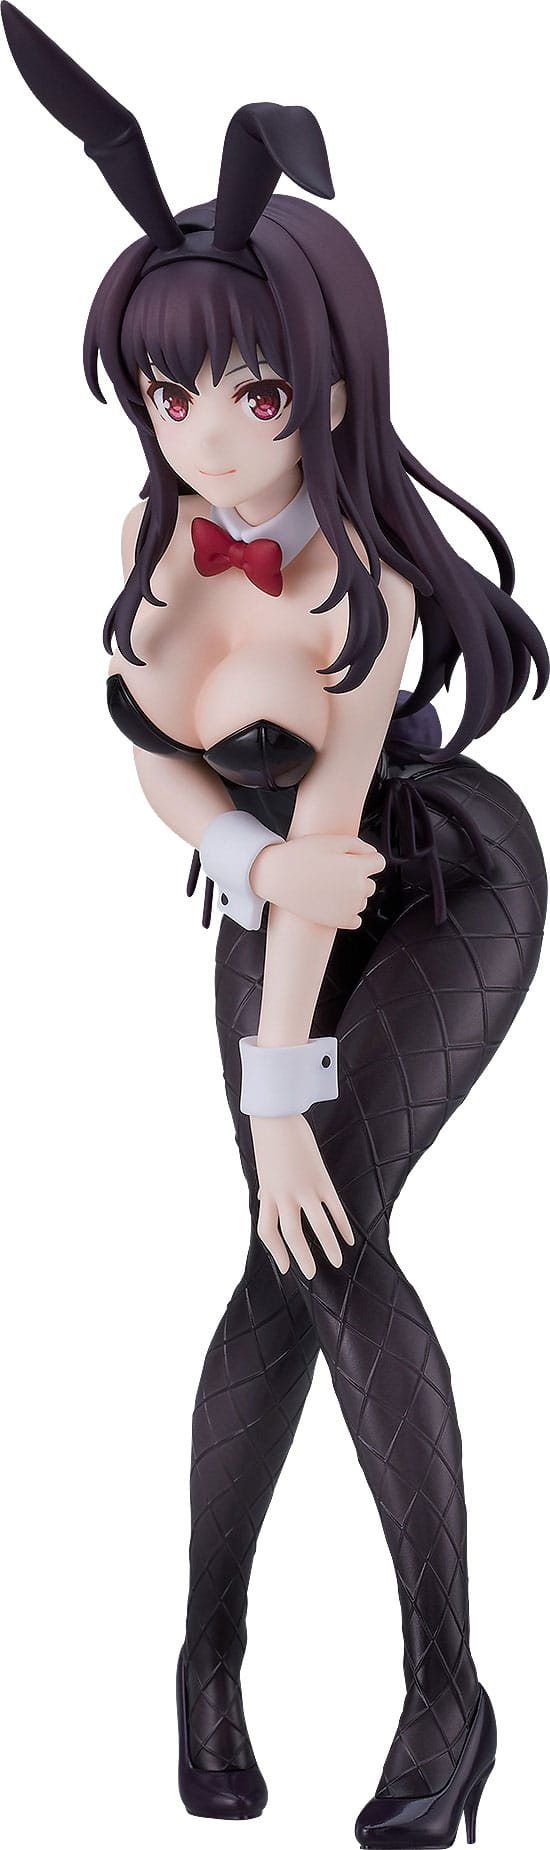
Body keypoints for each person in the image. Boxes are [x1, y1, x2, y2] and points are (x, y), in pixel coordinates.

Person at [2, 6, 548, 1844]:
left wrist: (283, 1095)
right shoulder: (159, 539)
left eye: (246, 392)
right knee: (287, 1243)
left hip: (440, 885)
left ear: (319, 381)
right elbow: (154, 756)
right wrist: (240, 865)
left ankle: (442, 1689)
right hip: (279, 882)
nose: (207, 434)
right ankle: (215, 1658)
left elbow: (335, 825)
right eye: (171, 396)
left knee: (324, 1216)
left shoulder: (354, 586)